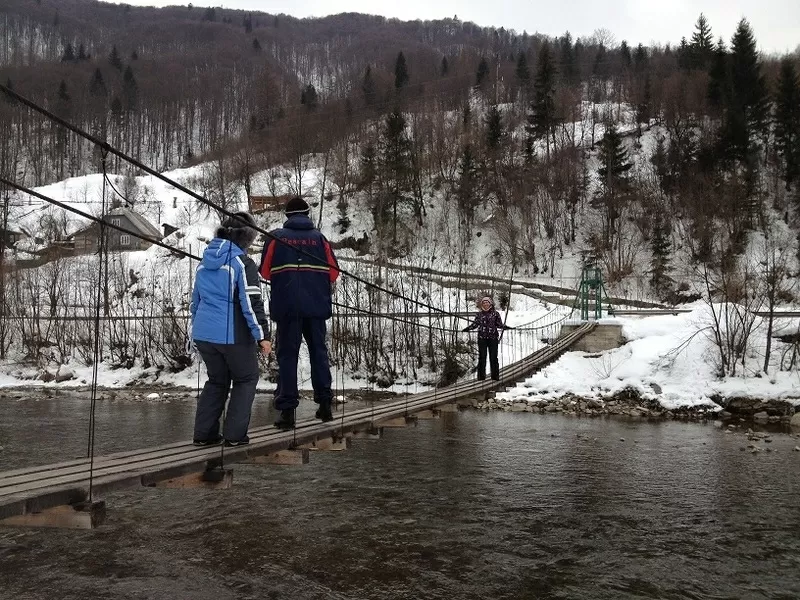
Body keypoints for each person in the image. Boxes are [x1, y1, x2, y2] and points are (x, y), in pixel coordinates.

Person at [190, 212, 271, 447]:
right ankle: (235, 436)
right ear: (246, 239)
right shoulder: (242, 263)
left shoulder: (204, 263)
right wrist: (262, 336)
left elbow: (196, 302)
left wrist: (195, 332)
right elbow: (251, 303)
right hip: (231, 334)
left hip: (204, 334)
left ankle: (204, 435)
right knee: (246, 378)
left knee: (217, 380)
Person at [259, 196, 339, 430]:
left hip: (288, 307)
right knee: (318, 354)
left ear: (287, 216)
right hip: (316, 307)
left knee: (287, 356)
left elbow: (265, 271)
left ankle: (287, 412)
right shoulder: (320, 239)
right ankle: (325, 406)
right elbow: (334, 273)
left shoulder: (276, 237)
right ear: (307, 214)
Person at [462, 296, 512, 381]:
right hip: (482, 339)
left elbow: (499, 324)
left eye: (487, 302)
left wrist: (506, 327)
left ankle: (495, 377)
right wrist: (468, 329)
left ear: (490, 304)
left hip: (493, 338)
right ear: (482, 304)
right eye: (484, 302)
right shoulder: (479, 314)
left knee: (493, 357)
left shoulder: (495, 314)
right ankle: (481, 378)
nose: (485, 304)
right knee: (482, 357)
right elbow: (475, 325)